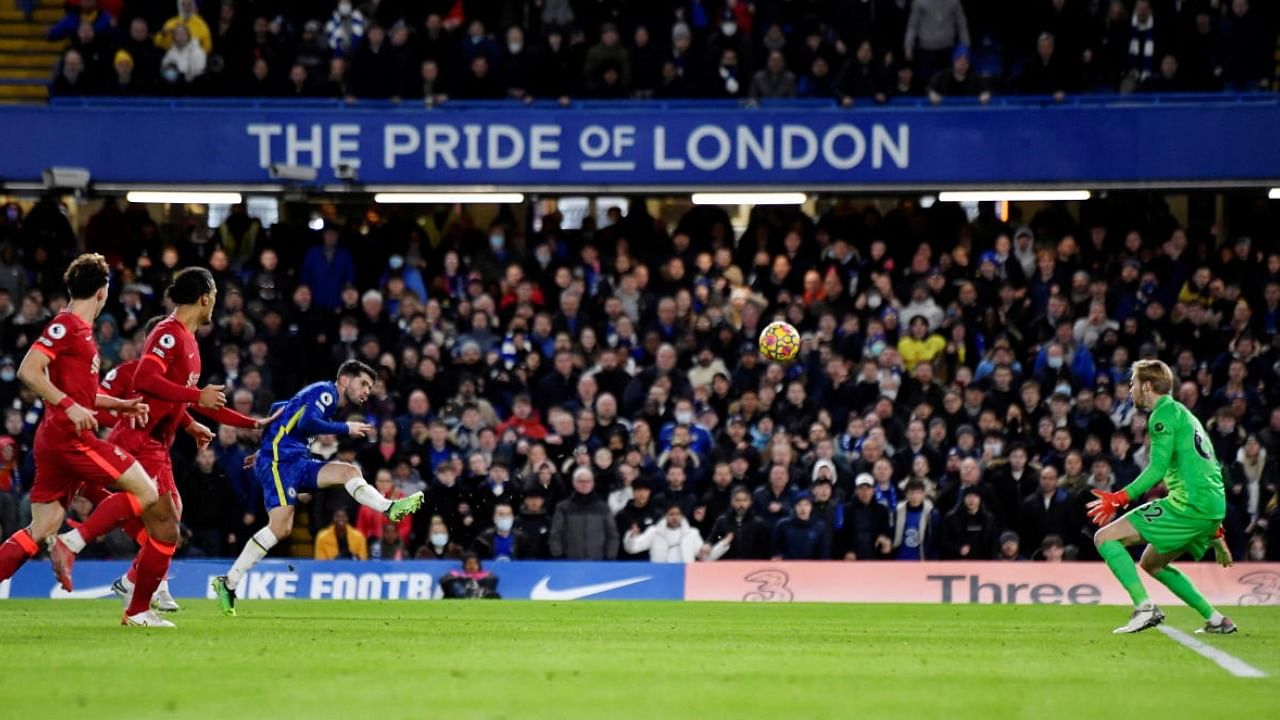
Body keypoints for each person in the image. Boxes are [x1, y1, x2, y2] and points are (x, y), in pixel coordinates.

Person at [56, 268, 274, 620]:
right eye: (215, 295)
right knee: (157, 517)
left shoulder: (189, 341)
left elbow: (189, 400)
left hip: (159, 442)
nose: (215, 302)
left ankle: (135, 592)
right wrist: (194, 397)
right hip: (141, 439)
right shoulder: (169, 333)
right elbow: (146, 378)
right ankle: (79, 545)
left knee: (170, 518)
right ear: (205, 297)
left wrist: (249, 423)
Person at [212, 360, 425, 616]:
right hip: (279, 463)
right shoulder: (326, 393)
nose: (367, 391)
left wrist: (265, 445)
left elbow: (281, 409)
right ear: (345, 380)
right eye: (363, 384)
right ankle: (228, 582)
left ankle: (389, 508)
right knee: (281, 526)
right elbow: (306, 423)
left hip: (296, 460)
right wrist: (346, 428)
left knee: (349, 471)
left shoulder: (325, 399)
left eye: (370, 386)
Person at [0, 257, 152, 597]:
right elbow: (29, 370)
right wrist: (68, 406)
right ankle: (74, 544)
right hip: (70, 440)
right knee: (147, 491)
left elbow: (81, 394)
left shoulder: (80, 331)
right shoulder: (66, 326)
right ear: (102, 293)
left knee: (42, 527)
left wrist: (119, 404)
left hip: (54, 438)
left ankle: (63, 541)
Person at [1088, 359, 1236, 634]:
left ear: (1146, 385)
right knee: (1152, 563)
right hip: (1209, 507)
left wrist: (1120, 498)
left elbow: (1156, 468)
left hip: (1188, 505)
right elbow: (1208, 471)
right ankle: (1216, 619)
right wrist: (1216, 534)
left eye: (1133, 383)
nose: (1130, 389)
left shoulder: (1162, 416)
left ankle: (1144, 608)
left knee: (1104, 538)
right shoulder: (1185, 415)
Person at [549, 468, 618, 560]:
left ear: (593, 483)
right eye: (581, 481)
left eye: (588, 481)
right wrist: (558, 556)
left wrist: (610, 558)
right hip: (569, 562)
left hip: (598, 562)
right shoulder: (563, 507)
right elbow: (555, 534)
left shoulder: (603, 507)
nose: (584, 484)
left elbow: (612, 535)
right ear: (574, 483)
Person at [703, 485, 771, 560]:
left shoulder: (758, 523)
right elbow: (712, 538)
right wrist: (708, 544)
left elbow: (765, 548)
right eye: (737, 500)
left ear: (750, 502)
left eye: (745, 500)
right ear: (732, 502)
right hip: (727, 564)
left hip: (752, 565)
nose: (741, 504)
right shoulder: (722, 521)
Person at [623, 504, 703, 563]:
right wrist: (632, 537)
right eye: (671, 514)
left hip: (685, 574)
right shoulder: (654, 532)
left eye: (677, 514)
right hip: (660, 573)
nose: (674, 517)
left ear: (682, 516)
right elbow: (632, 549)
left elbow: (704, 555)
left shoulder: (692, 533)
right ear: (665, 516)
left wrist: (708, 548)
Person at [771, 493, 829, 560]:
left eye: (806, 505)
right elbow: (776, 550)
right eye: (799, 505)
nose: (803, 508)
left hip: (811, 566)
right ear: (794, 507)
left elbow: (823, 553)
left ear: (811, 507)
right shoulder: (782, 525)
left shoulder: (819, 527)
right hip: (787, 564)